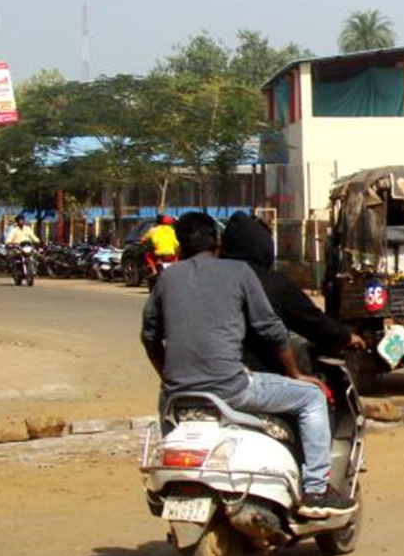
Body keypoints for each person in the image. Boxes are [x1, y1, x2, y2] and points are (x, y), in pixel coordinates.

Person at [141, 212, 356, 518]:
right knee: (312, 397)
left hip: (176, 395)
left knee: (170, 426)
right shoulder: (239, 272)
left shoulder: (167, 278)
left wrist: (167, 377)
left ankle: (165, 486)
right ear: (216, 241)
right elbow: (271, 328)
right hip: (232, 388)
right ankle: (317, 490)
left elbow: (149, 335)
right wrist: (296, 373)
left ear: (180, 245)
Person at [220, 211, 366, 371]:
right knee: (311, 384)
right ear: (262, 246)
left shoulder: (208, 277)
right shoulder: (272, 282)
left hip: (207, 371)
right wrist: (345, 337)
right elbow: (311, 322)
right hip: (252, 375)